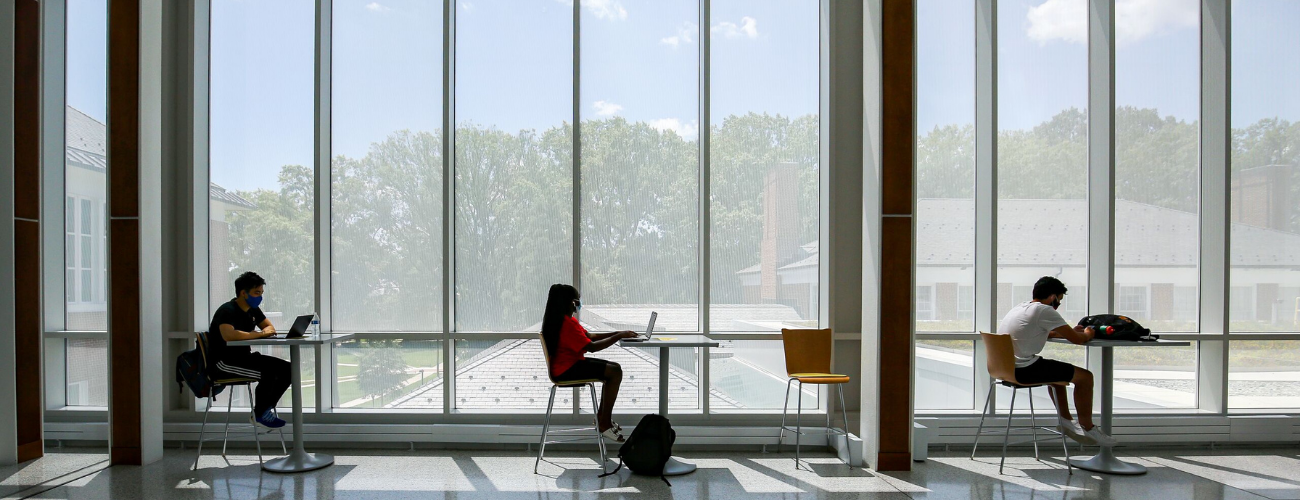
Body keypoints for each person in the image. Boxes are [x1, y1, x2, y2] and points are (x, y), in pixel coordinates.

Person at [997, 276, 1117, 446]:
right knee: (1085, 377)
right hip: (1024, 370)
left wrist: (1068, 332)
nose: (1057, 305)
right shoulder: (1044, 310)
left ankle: (1066, 420)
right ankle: (1088, 428)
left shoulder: (1020, 308)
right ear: (1053, 297)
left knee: (1057, 375)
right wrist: (1089, 333)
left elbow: (1046, 332)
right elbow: (1077, 339)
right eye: (1058, 301)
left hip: (1005, 368)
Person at [541, 284, 639, 442]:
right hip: (567, 369)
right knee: (615, 372)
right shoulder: (567, 325)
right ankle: (604, 422)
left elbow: (590, 336)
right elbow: (592, 347)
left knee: (614, 369)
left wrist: (621, 333)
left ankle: (602, 419)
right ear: (571, 302)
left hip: (567, 365)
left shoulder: (563, 321)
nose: (578, 305)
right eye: (577, 301)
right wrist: (619, 336)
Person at [208, 271, 291, 429]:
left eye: (261, 293)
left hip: (245, 358)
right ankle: (260, 414)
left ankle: (263, 411)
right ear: (243, 293)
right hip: (223, 363)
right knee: (270, 373)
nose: (259, 297)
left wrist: (262, 333)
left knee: (289, 369)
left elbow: (270, 328)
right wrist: (257, 334)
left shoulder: (253, 310)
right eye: (256, 293)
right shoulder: (227, 310)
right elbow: (228, 335)